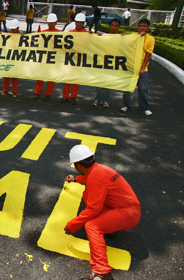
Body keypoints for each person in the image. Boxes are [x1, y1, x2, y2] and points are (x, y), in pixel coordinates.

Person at [64, 144, 140, 280]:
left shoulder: (95, 176)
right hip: (126, 208)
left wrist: (72, 225)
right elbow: (87, 178)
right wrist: (74, 179)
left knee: (92, 226)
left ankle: (102, 273)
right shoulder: (99, 169)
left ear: (79, 165)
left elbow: (93, 209)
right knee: (88, 194)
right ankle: (109, 229)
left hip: (128, 213)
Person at [121, 19, 155, 116]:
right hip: (131, 67)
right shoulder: (133, 36)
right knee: (127, 88)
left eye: (144, 26)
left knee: (143, 88)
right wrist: (121, 37)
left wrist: (143, 68)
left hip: (142, 69)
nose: (142, 28)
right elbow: (122, 39)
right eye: (140, 26)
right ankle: (126, 105)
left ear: (148, 27)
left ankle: (144, 108)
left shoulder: (150, 39)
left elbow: (148, 54)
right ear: (138, 27)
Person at [92, 19, 121, 109]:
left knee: (107, 83)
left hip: (113, 63)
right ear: (110, 26)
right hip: (102, 62)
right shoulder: (105, 36)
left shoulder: (121, 38)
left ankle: (105, 101)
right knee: (100, 82)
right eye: (113, 25)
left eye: (116, 26)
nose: (114, 27)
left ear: (119, 27)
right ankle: (97, 99)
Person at [62, 13, 87, 105]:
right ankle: (65, 97)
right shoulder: (70, 32)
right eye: (77, 22)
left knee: (76, 80)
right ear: (75, 22)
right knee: (67, 79)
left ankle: (73, 97)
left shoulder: (87, 34)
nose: (79, 24)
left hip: (79, 59)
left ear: (83, 23)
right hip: (69, 58)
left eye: (81, 23)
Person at [33, 13, 60, 102]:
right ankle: (37, 93)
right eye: (49, 22)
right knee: (40, 76)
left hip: (52, 59)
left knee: (51, 78)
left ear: (56, 22)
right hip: (43, 58)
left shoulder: (60, 34)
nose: (50, 24)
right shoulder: (43, 32)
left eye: (52, 22)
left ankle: (48, 94)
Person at [2, 19, 20, 97]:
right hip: (8, 58)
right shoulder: (7, 36)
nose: (12, 30)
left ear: (17, 28)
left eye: (14, 28)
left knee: (15, 76)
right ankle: (5, 90)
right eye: (12, 29)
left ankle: (14, 91)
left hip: (16, 59)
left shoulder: (21, 37)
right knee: (6, 76)